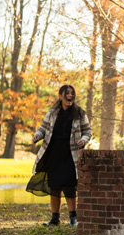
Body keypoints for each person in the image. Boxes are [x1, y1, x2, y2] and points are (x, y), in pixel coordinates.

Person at [26, 84, 92, 226]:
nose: (70, 96)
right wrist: (38, 135)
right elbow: (43, 128)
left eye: (72, 93)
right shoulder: (52, 113)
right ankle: (55, 218)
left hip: (70, 155)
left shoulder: (80, 113)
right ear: (60, 96)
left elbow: (88, 132)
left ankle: (73, 218)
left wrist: (84, 140)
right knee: (54, 186)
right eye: (67, 93)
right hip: (54, 154)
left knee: (69, 186)